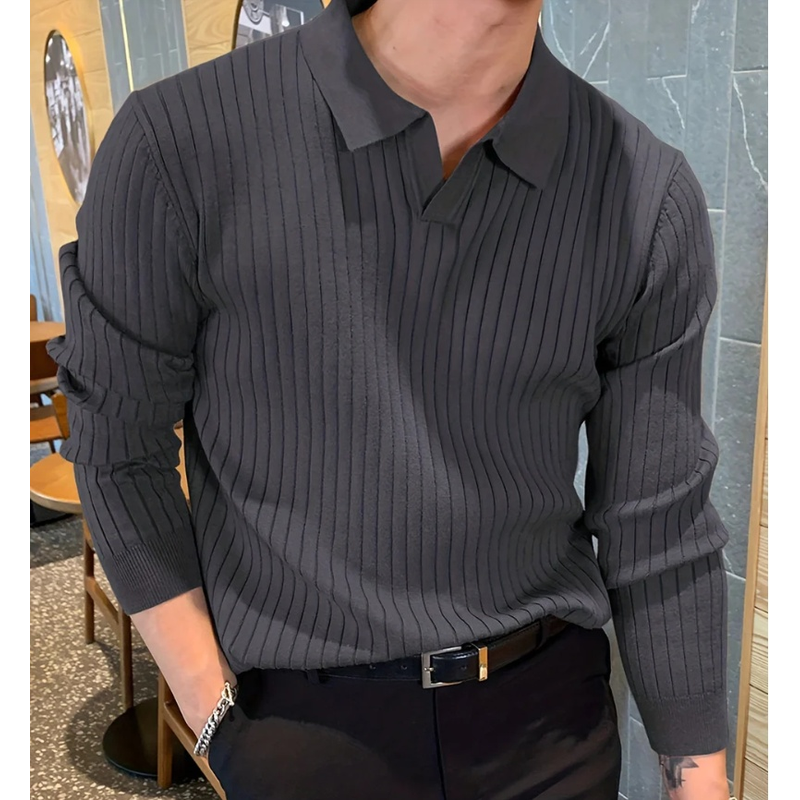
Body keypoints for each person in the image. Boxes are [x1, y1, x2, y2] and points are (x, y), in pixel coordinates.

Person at [49, 0, 733, 798]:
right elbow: (116, 442)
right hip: (299, 729)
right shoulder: (178, 142)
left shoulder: (646, 193)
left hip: (551, 726)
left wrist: (701, 780)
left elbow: (659, 523)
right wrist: (214, 716)